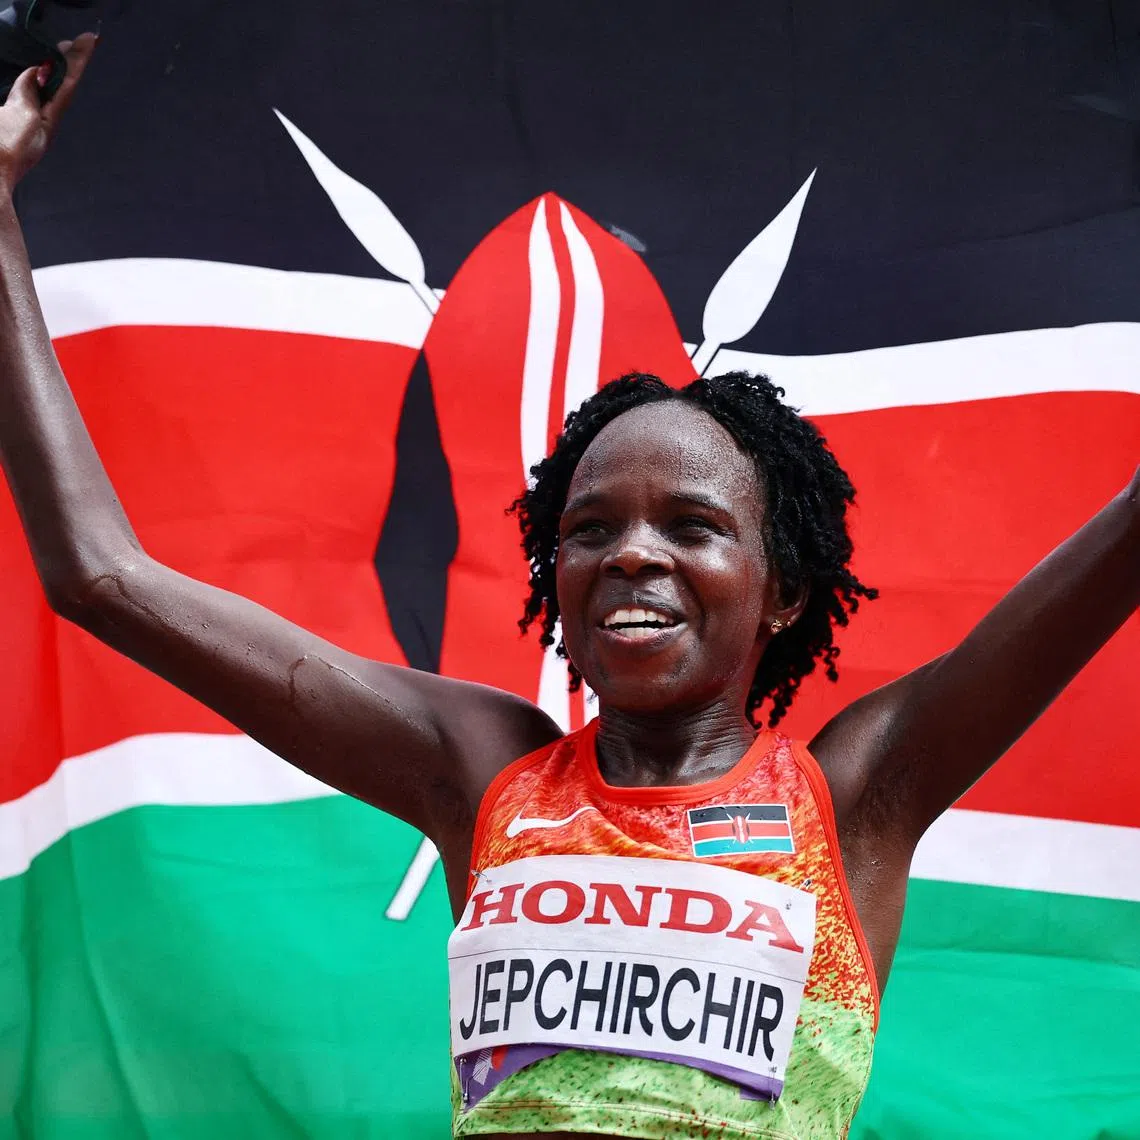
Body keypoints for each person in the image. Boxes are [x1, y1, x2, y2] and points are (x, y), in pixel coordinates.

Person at [1, 39, 1137, 1140]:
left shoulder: (852, 797)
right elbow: (102, 577)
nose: (632, 555)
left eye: (691, 526)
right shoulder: (485, 773)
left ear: (783, 591)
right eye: (592, 529)